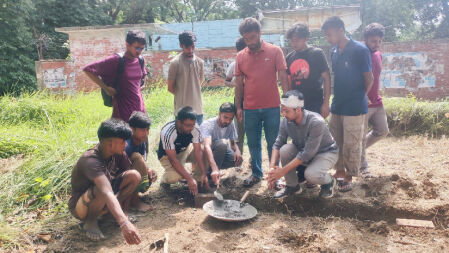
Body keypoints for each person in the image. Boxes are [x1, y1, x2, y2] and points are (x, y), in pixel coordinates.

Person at [234, 17, 289, 187]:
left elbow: (283, 77)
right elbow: (238, 84)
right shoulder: (240, 56)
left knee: (274, 142)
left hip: (272, 106)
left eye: (252, 37)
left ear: (259, 33)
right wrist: (239, 107)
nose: (249, 42)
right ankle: (256, 174)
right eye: (246, 39)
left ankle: (275, 176)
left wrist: (287, 102)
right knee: (253, 143)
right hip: (250, 108)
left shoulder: (275, 51)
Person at [321, 16, 374, 192]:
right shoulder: (334, 51)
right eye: (326, 36)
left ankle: (349, 177)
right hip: (338, 105)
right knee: (336, 140)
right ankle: (340, 170)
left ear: (340, 30)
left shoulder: (360, 50)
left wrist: (361, 95)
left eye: (329, 35)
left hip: (354, 107)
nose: (328, 39)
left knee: (352, 142)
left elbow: (369, 78)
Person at [69, 119, 142, 244]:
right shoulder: (90, 160)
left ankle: (110, 215)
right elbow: (106, 191)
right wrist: (124, 223)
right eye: (122, 141)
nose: (125, 144)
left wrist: (124, 212)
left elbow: (127, 177)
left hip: (104, 198)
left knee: (134, 176)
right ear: (109, 143)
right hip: (81, 206)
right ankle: (90, 222)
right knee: (101, 189)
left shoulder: (118, 153)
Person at [267, 90, 338, 198]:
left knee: (311, 175)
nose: (283, 114)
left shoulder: (316, 122)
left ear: (298, 110)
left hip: (325, 153)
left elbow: (306, 154)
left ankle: (329, 181)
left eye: (286, 111)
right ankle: (292, 186)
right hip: (304, 152)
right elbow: (278, 144)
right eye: (282, 110)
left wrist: (281, 172)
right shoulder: (286, 121)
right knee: (284, 149)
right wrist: (272, 168)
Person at [83, 30, 147, 122]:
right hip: (123, 111)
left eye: (142, 48)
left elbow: (144, 75)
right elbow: (88, 69)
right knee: (125, 135)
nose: (139, 51)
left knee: (142, 135)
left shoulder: (140, 60)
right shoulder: (116, 60)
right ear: (127, 44)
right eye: (137, 48)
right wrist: (106, 88)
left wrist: (143, 84)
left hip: (140, 108)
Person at [158, 106, 209, 195]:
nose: (191, 128)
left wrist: (204, 173)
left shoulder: (195, 128)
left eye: (193, 124)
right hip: (167, 156)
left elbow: (198, 151)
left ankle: (198, 181)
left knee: (204, 151)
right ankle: (164, 180)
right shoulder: (168, 132)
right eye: (188, 125)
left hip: (185, 151)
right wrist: (189, 178)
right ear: (179, 122)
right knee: (175, 176)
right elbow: (173, 160)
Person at [361, 23, 389, 178]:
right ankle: (363, 168)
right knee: (359, 136)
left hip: (376, 101)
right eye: (373, 41)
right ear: (364, 39)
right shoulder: (359, 55)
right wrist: (360, 95)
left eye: (379, 41)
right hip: (362, 102)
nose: (377, 44)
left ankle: (356, 149)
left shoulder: (378, 54)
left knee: (383, 130)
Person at [285, 23, 331, 118]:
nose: (294, 44)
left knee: (315, 131)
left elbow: (327, 78)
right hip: (297, 105)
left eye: (297, 41)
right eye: (292, 41)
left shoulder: (317, 53)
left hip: (315, 104)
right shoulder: (289, 58)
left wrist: (326, 104)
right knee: (297, 132)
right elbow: (288, 82)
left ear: (306, 38)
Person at [200, 102, 243, 186]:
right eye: (225, 117)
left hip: (218, 151)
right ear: (219, 113)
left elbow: (233, 144)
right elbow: (207, 146)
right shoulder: (208, 125)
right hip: (203, 154)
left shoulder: (230, 124)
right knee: (222, 144)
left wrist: (237, 150)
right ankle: (210, 176)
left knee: (237, 160)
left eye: (231, 119)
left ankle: (213, 172)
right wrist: (214, 167)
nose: (227, 121)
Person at [167, 31, 205, 125]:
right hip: (182, 112)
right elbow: (170, 88)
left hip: (198, 111)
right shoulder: (175, 63)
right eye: (187, 47)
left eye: (193, 46)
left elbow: (199, 82)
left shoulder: (200, 62)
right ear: (181, 45)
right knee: (182, 138)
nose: (191, 50)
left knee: (197, 139)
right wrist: (182, 94)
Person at [126, 111, 158, 211]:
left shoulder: (141, 141)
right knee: (137, 157)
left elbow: (143, 162)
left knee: (148, 171)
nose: (146, 133)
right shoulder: (126, 144)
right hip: (119, 179)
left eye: (147, 129)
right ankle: (133, 202)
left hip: (131, 175)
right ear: (132, 129)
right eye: (142, 130)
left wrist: (149, 170)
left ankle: (133, 197)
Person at [225, 37, 247, 156]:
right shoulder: (234, 64)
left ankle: (253, 160)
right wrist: (235, 83)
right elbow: (226, 81)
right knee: (238, 133)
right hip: (239, 101)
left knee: (254, 132)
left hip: (254, 102)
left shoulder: (254, 63)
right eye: (239, 51)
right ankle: (238, 160)